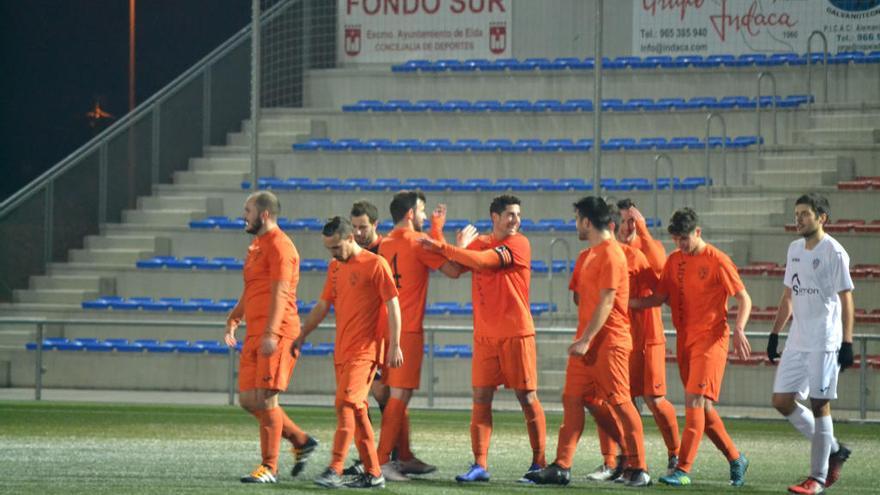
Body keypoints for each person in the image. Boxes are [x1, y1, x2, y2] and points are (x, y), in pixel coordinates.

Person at [525, 197, 651, 488]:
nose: (576, 224)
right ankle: (562, 466)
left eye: (577, 219)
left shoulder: (612, 254)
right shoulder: (589, 255)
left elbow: (607, 301)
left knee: (621, 402)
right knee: (573, 398)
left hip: (610, 342)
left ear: (585, 221)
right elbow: (581, 297)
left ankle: (639, 467)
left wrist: (586, 338)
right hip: (588, 342)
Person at [420, 194, 547, 483]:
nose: (516, 220)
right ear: (495, 217)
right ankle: (479, 465)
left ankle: (539, 463)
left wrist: (445, 245)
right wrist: (437, 233)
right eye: (510, 215)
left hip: (516, 333)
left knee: (526, 397)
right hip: (485, 337)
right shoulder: (482, 242)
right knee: (480, 398)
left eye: (518, 214)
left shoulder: (519, 243)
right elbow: (453, 269)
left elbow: (484, 262)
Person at [631, 207, 751, 487]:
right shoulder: (674, 261)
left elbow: (744, 298)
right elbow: (659, 297)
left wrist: (739, 329)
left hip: (712, 340)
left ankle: (682, 468)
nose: (681, 244)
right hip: (685, 341)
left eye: (685, 238)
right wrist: (626, 304)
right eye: (677, 239)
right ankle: (736, 459)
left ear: (698, 232)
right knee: (703, 411)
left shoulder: (718, 260)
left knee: (694, 402)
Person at [295, 216, 403, 489]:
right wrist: (302, 334)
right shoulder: (335, 268)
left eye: (335, 248)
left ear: (351, 238)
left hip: (365, 352)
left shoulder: (375, 264)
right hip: (342, 352)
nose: (332, 254)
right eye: (328, 249)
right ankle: (374, 472)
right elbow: (322, 306)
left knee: (344, 405)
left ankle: (335, 467)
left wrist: (395, 344)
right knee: (357, 410)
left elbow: (393, 305)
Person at [223, 191, 318, 484]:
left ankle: (269, 467)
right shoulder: (256, 246)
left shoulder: (281, 247)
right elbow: (253, 289)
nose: (244, 215)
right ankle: (301, 441)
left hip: (276, 332)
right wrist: (234, 318)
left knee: (266, 399)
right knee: (249, 399)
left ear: (264, 214)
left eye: (248, 210)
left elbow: (281, 292)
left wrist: (272, 333)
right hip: (256, 331)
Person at [767, 194, 854, 494]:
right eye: (796, 214)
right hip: (797, 340)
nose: (799, 218)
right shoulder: (794, 249)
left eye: (805, 214)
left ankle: (817, 478)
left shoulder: (834, 252)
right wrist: (775, 333)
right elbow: (788, 295)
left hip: (824, 342)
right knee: (781, 401)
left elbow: (846, 297)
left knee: (820, 405)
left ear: (822, 218)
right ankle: (834, 449)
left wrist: (847, 342)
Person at [375, 191, 463, 481]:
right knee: (400, 396)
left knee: (393, 395)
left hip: (385, 329)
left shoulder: (385, 244)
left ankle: (405, 456)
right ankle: (382, 461)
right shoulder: (418, 242)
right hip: (407, 330)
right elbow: (453, 270)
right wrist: (450, 238)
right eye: (423, 211)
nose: (425, 216)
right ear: (411, 214)